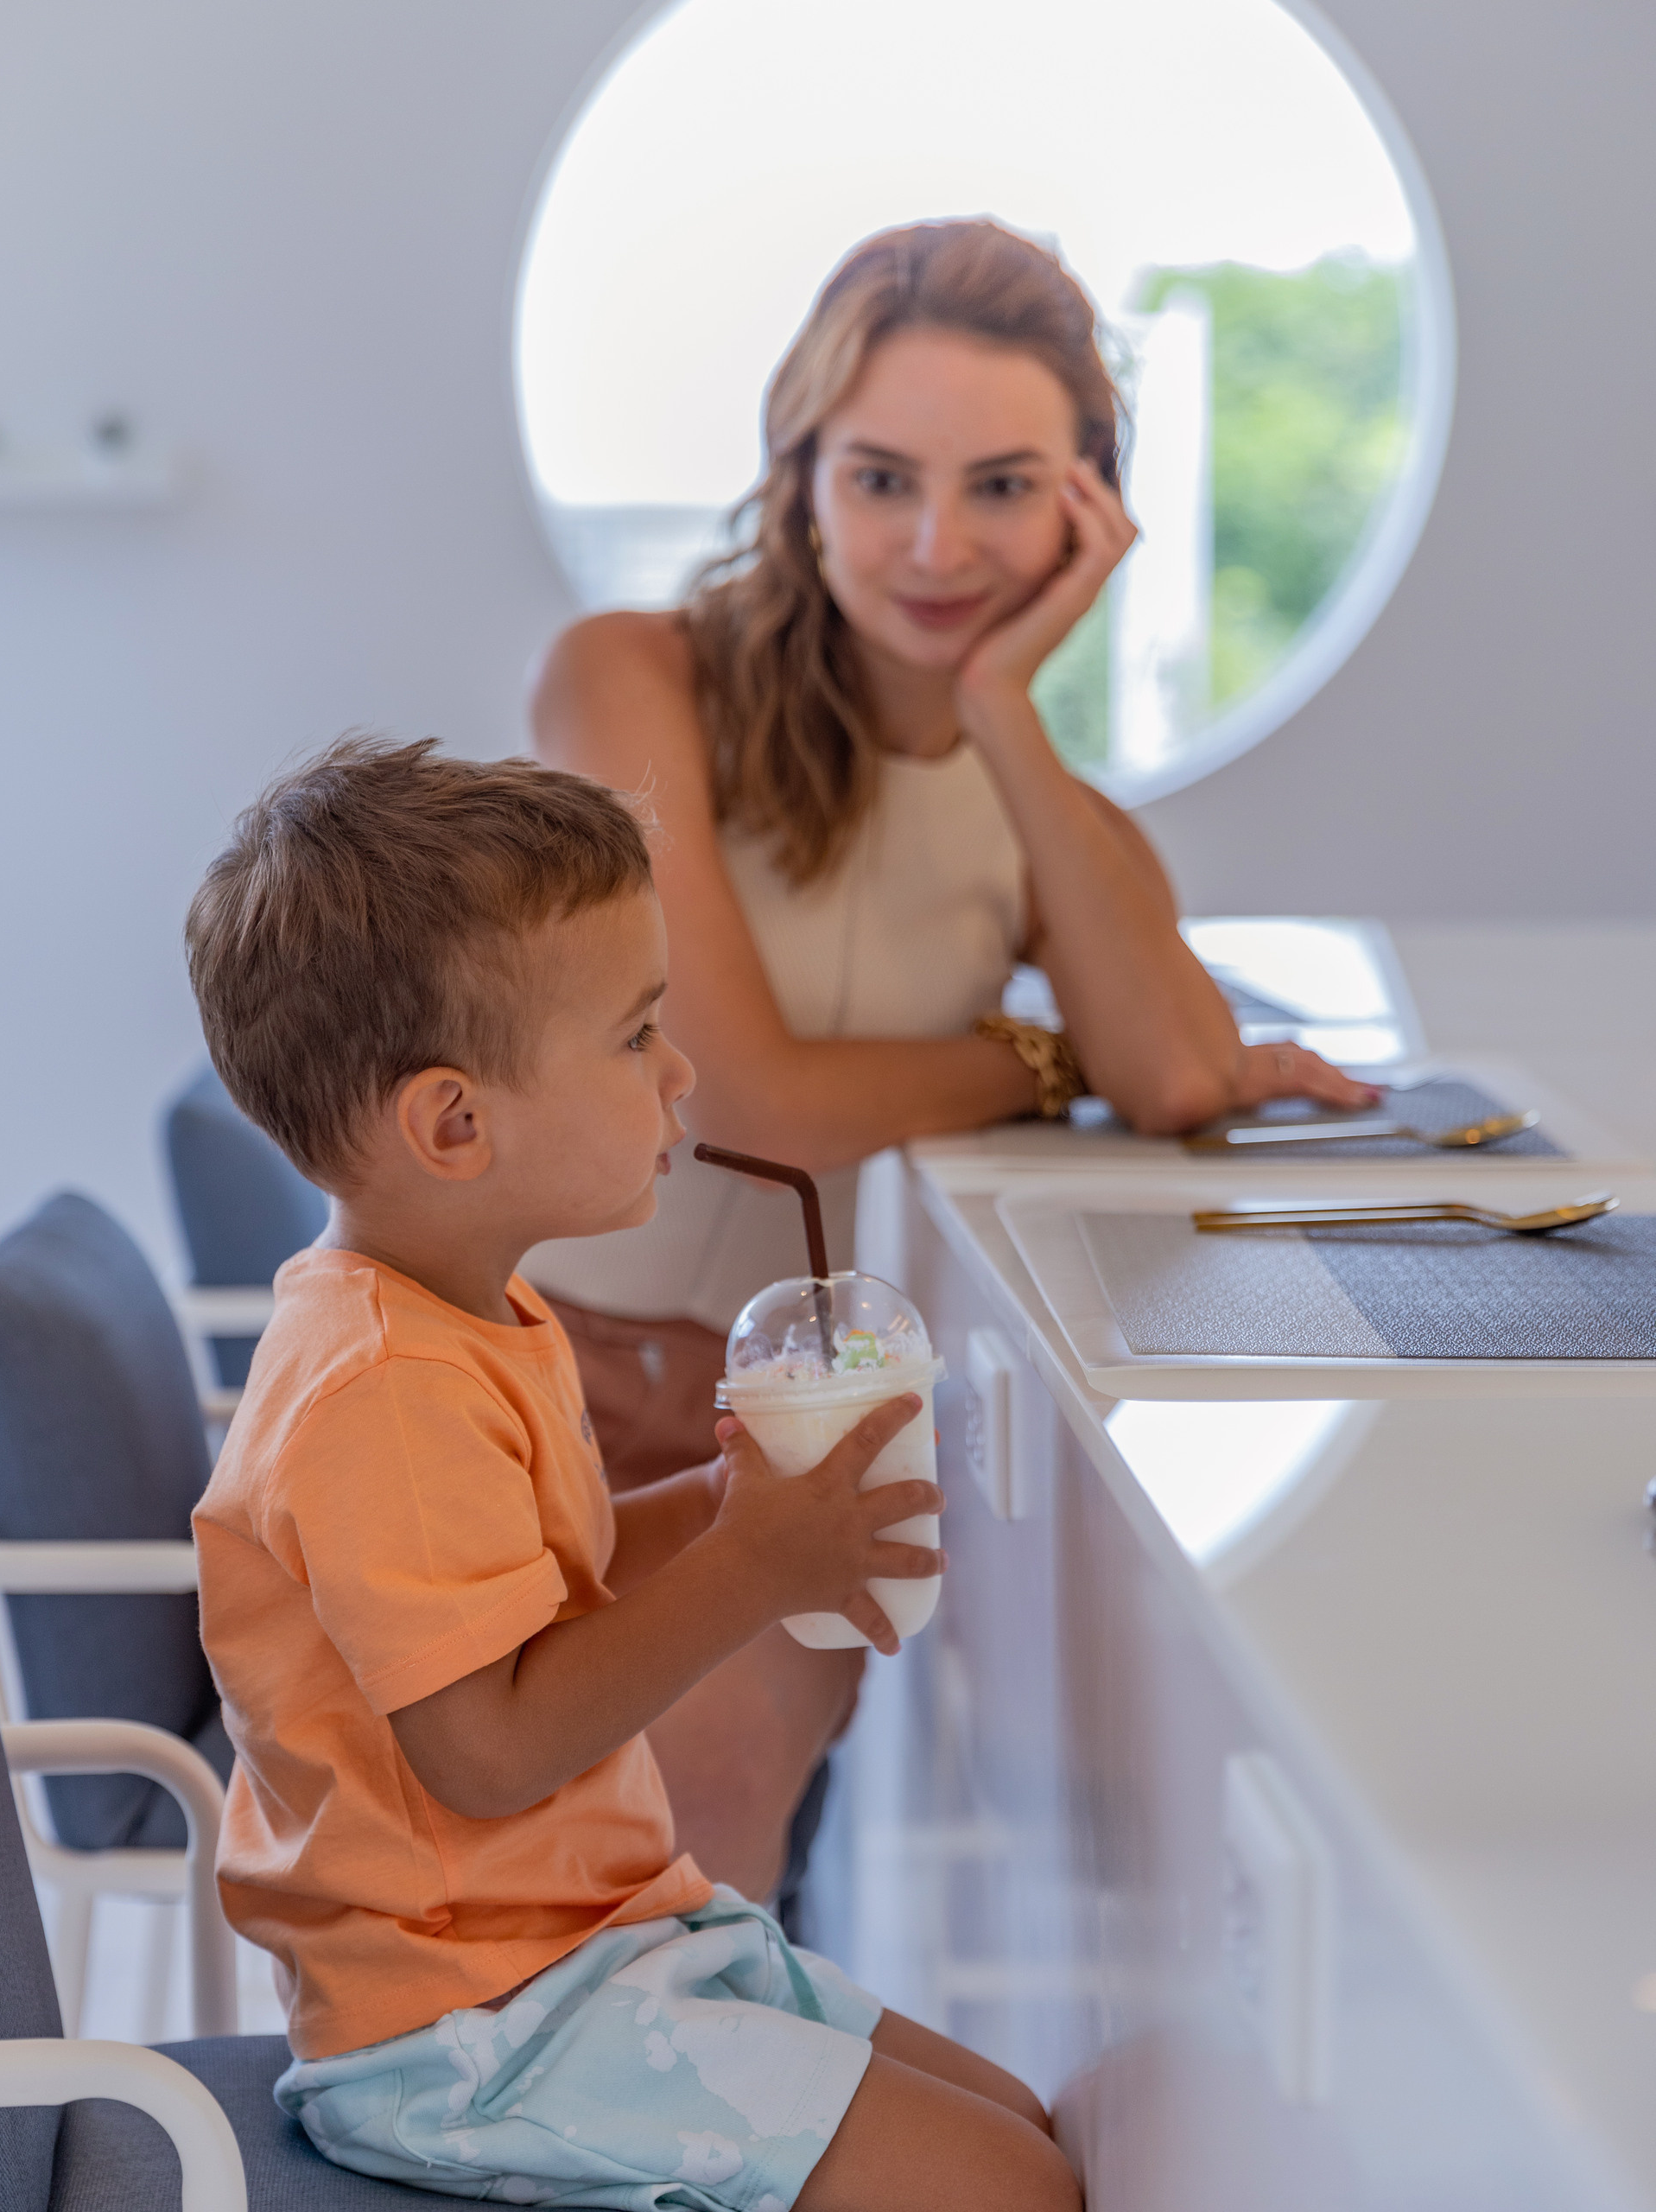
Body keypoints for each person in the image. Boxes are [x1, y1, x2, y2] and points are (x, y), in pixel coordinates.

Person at [526, 217, 1379, 1893]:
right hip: (527, 1383)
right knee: (598, 1826)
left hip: (789, 1415)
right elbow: (743, 1093)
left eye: (1001, 486)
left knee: (710, 1797)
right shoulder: (629, 682)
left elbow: (1181, 1078)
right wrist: (1025, 1054)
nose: (934, 543)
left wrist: (1002, 699)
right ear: (800, 476)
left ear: (1089, 508)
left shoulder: (1033, 792)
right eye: (879, 477)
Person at [185, 736, 1079, 2212]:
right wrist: (749, 1570)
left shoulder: (464, 1308)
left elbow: (546, 1594)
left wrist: (730, 1511)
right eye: (635, 1034)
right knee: (1008, 2188)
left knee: (1023, 2132)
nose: (680, 1076)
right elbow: (487, 1753)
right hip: (471, 2030)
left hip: (591, 1943)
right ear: (454, 1123)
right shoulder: (380, 1394)